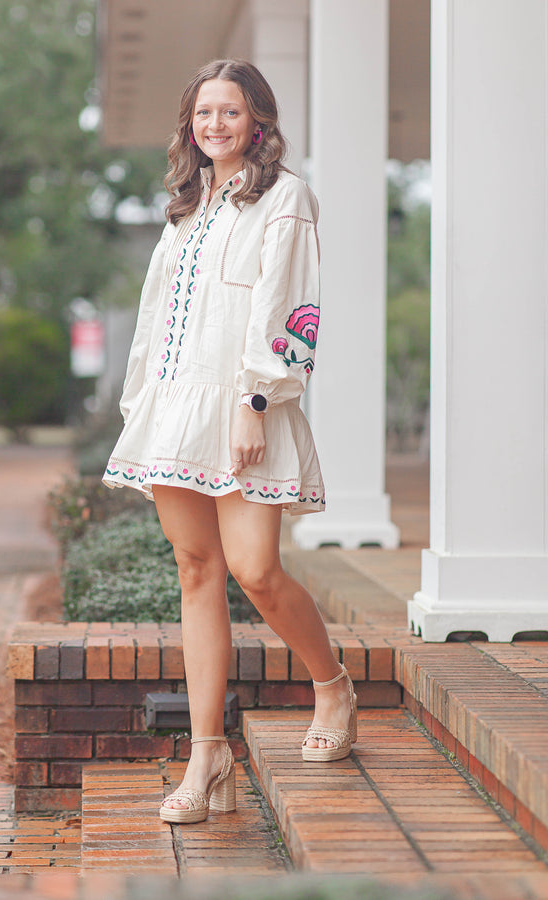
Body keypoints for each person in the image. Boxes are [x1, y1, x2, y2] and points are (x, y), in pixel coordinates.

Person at [103, 59, 357, 825]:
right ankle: (207, 752)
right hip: (175, 409)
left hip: (245, 404)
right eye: (204, 113)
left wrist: (256, 399)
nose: (215, 125)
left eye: (231, 113)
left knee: (256, 571)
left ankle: (332, 685)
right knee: (195, 572)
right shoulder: (186, 206)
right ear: (190, 125)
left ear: (259, 122)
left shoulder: (287, 198)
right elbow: (155, 320)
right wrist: (140, 403)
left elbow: (289, 306)